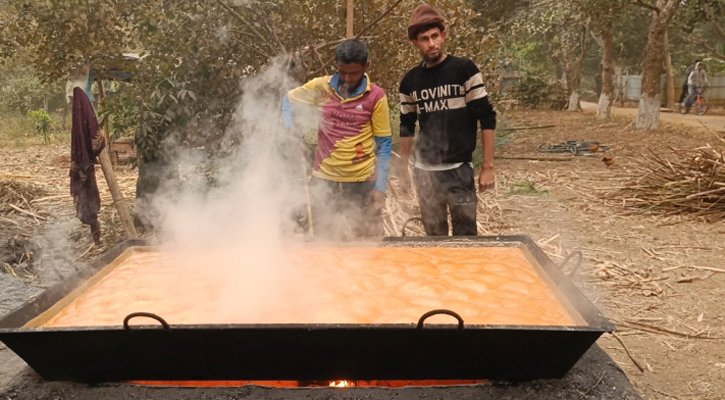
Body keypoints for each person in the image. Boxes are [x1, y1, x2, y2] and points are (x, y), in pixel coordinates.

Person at [398, 4, 497, 236]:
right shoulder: (410, 81)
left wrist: (488, 167)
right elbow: (406, 125)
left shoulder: (464, 70)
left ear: (443, 36)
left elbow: (487, 117)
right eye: (424, 39)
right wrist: (403, 169)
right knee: (435, 241)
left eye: (435, 36)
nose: (431, 43)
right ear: (416, 43)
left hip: (458, 171)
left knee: (466, 238)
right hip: (425, 174)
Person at [283, 40, 392, 238]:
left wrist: (380, 188)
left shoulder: (376, 96)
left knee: (370, 246)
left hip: (363, 183)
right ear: (336, 66)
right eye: (342, 72)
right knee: (323, 244)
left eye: (354, 73)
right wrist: (290, 127)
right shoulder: (322, 87)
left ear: (366, 67)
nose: (347, 79)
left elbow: (384, 144)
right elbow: (288, 100)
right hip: (324, 180)